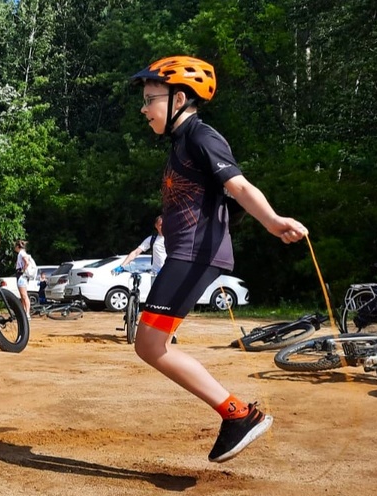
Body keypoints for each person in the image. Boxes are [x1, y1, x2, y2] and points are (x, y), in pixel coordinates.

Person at [131, 56, 307, 462]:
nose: (144, 109)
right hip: (186, 254)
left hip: (195, 254)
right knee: (150, 344)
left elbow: (239, 186)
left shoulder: (201, 135)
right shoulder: (181, 142)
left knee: (151, 344)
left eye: (149, 99)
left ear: (179, 98)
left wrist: (274, 221)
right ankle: (237, 413)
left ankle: (239, 414)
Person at [13, 240, 37, 316]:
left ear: (17, 246)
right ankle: (24, 312)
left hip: (21, 276)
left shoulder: (21, 253)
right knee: (23, 295)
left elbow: (26, 262)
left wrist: (22, 270)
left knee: (24, 295)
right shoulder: (22, 253)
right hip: (21, 275)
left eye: (15, 246)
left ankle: (27, 313)